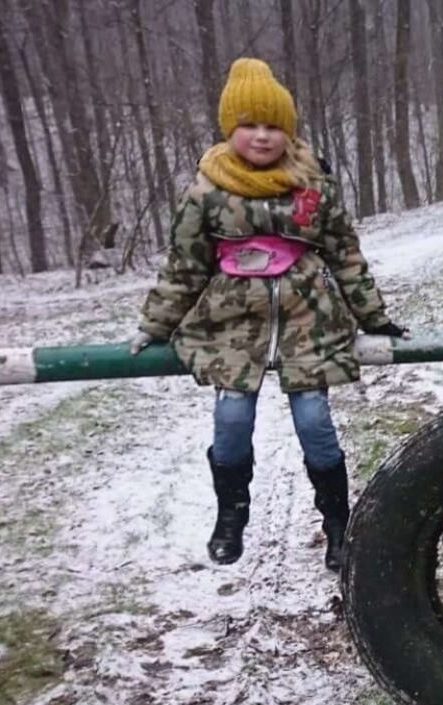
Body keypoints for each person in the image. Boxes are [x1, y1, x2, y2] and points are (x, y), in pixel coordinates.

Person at [128, 58, 406, 571]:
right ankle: (231, 514)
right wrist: (155, 324)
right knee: (232, 418)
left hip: (308, 320)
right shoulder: (207, 191)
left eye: (273, 125)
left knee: (315, 422)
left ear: (289, 130)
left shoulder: (312, 185)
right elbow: (185, 265)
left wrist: (374, 317)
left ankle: (338, 523)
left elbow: (346, 255)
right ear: (229, 128)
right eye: (250, 125)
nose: (262, 136)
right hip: (233, 324)